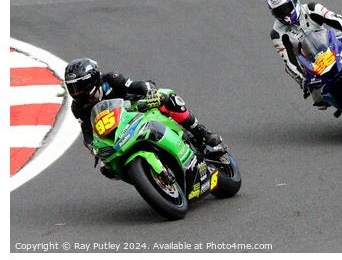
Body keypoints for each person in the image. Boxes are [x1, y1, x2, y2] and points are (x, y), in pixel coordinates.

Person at [64, 58, 225, 177]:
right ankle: (146, 175)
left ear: (92, 79)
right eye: (72, 88)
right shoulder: (77, 107)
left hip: (136, 108)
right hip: (117, 130)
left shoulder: (111, 79)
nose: (76, 92)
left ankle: (201, 133)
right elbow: (86, 130)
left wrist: (151, 93)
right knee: (107, 169)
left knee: (167, 97)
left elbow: (137, 85)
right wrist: (93, 147)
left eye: (79, 87)